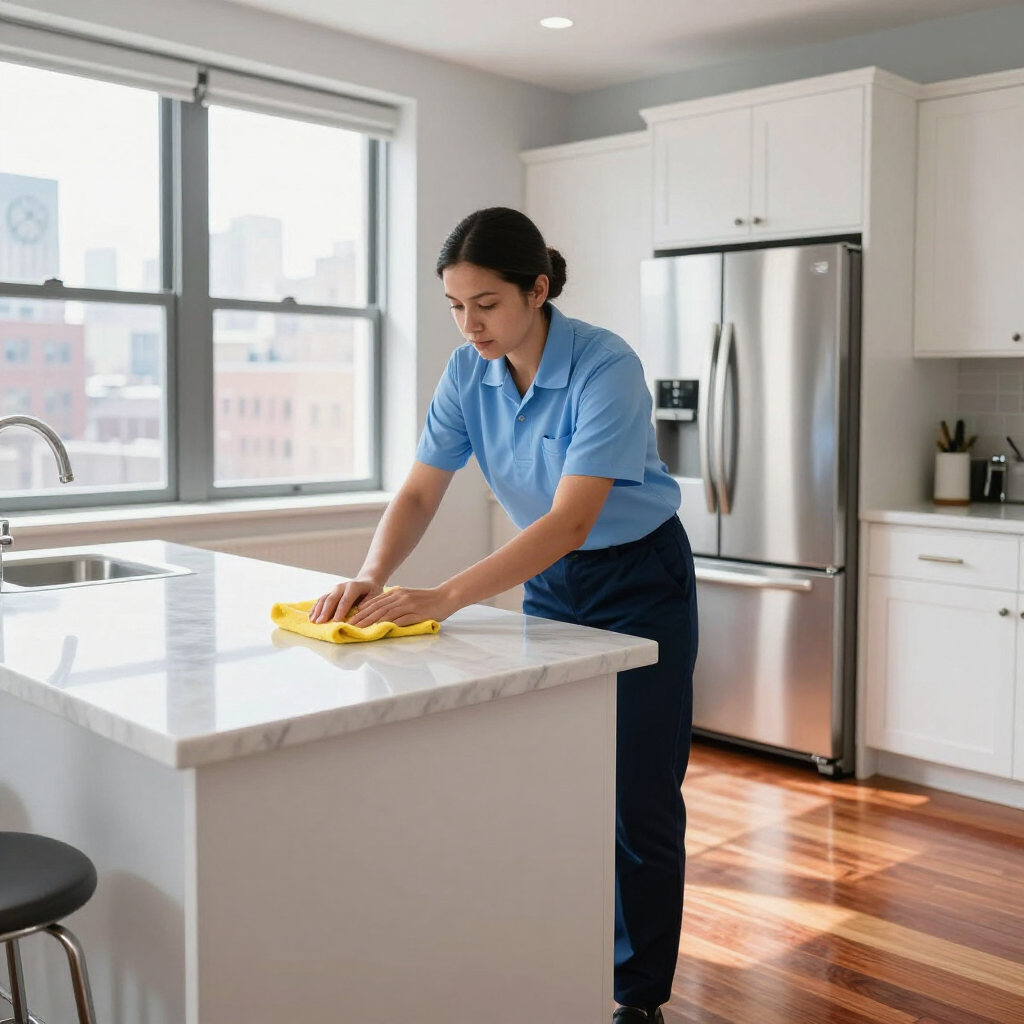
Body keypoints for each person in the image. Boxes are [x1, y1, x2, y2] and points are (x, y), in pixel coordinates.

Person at [311, 207, 698, 1023]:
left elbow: (570, 522)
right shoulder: (466, 372)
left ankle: (639, 997)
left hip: (640, 581)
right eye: (455, 305)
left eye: (486, 303)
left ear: (538, 289)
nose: (470, 323)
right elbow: (420, 490)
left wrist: (445, 596)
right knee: (551, 777)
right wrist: (370, 575)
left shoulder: (606, 366)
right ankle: (552, 954)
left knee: (640, 799)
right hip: (553, 586)